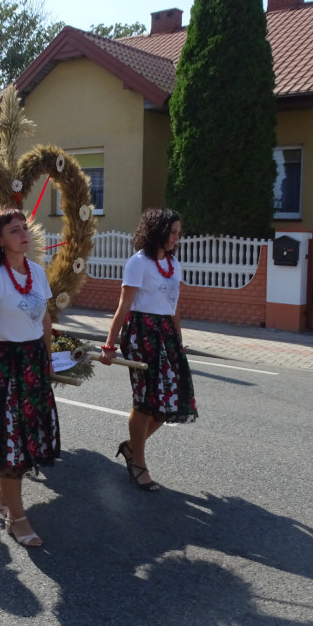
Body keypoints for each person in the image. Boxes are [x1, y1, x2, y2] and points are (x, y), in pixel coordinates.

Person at [0, 208, 59, 548]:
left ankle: (2, 485)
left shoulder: (36, 271)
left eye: (25, 228)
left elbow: (45, 321)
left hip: (32, 364)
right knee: (11, 445)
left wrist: (48, 361)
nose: (23, 234)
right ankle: (17, 518)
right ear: (0, 240)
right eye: (14, 230)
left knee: (27, 438)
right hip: (1, 367)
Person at [100, 208, 197, 493]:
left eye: (179, 233)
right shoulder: (137, 263)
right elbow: (123, 306)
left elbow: (176, 307)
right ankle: (139, 464)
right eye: (173, 232)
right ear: (157, 231)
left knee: (171, 402)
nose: (177, 238)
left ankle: (131, 448)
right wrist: (109, 344)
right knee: (145, 400)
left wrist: (178, 340)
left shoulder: (173, 264)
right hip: (141, 334)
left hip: (166, 333)